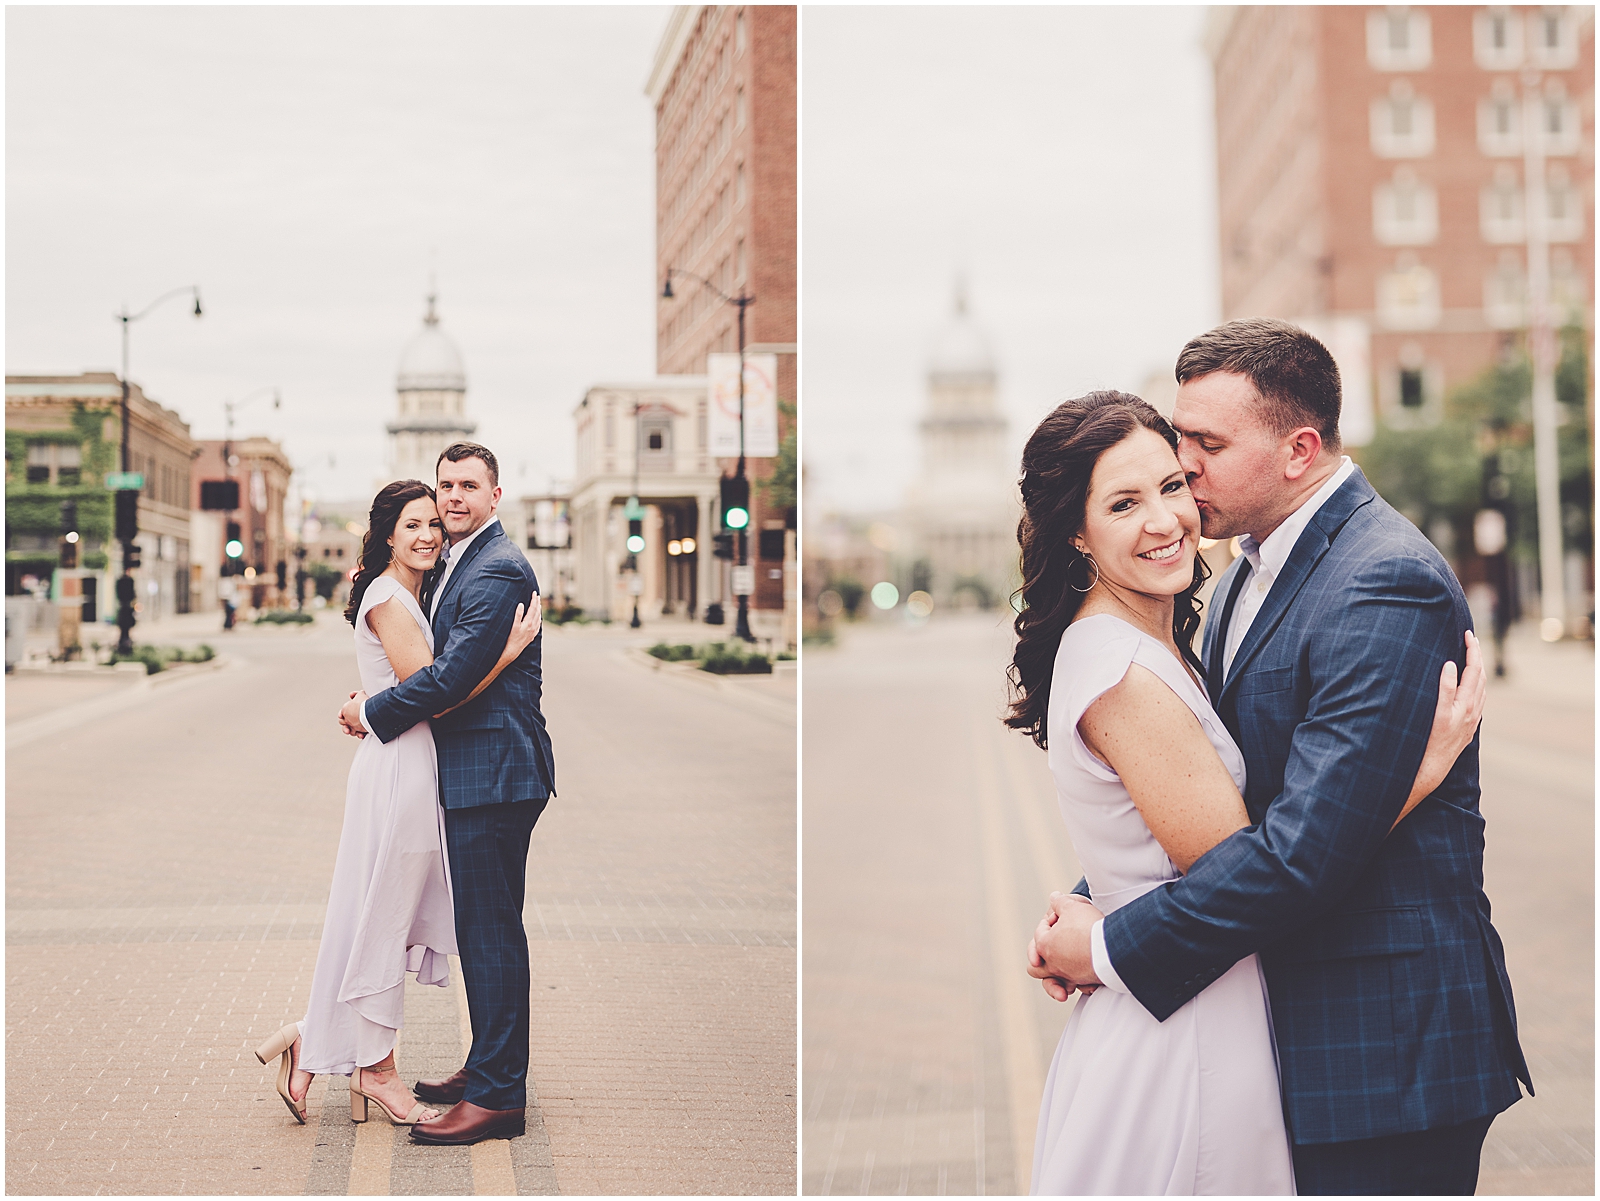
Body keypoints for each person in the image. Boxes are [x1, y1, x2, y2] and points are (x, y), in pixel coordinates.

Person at [1029, 321, 1531, 1196]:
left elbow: (1300, 850)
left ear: (1300, 449)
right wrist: (1098, 886)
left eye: (1206, 445)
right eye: (1180, 437)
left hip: (1382, 1055)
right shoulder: (1233, 576)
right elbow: (1225, 795)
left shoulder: (1382, 578)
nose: (1185, 471)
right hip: (1275, 1031)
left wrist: (1107, 940)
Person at [254, 479, 539, 1128]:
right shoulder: (389, 595)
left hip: (406, 763)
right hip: (399, 770)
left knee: (370, 916)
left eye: (435, 524)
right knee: (380, 920)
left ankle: (313, 1043)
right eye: (413, 524)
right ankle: (375, 1070)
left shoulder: (410, 593)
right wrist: (508, 650)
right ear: (387, 533)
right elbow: (438, 692)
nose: (428, 535)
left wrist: (369, 704)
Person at [337, 441, 557, 1147]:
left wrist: (370, 712)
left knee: (491, 934)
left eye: (469, 485)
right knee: (485, 931)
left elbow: (448, 680)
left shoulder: (495, 568)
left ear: (497, 495)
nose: (454, 499)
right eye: (446, 486)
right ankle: (488, 1065)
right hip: (476, 773)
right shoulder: (460, 562)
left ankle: (498, 1097)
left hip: (493, 773)